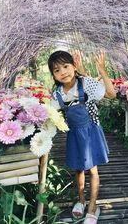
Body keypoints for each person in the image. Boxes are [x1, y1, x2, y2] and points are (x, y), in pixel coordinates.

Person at [48, 50, 116, 224]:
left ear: (74, 66)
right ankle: (81, 200)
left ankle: (93, 207)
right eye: (57, 70)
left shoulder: (85, 84)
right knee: (78, 169)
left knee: (92, 169)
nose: (63, 72)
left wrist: (102, 70)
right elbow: (49, 114)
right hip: (73, 135)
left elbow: (111, 94)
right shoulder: (57, 94)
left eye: (66, 66)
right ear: (53, 76)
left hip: (90, 132)